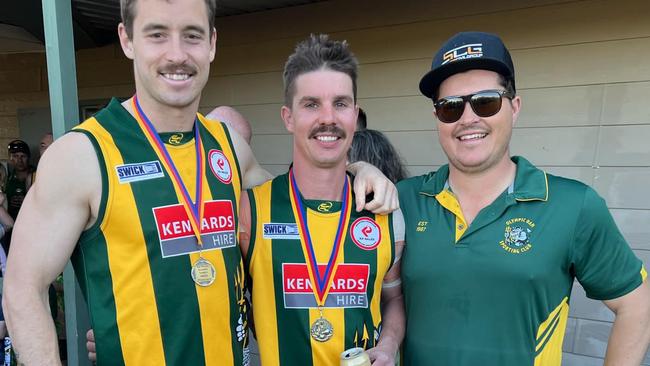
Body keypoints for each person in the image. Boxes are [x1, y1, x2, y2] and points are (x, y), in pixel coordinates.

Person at [1, 0, 397, 365]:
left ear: (211, 44)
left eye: (191, 35)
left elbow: (297, 202)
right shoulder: (82, 155)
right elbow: (22, 288)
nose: (177, 54)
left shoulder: (229, 147)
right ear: (126, 39)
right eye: (157, 34)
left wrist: (358, 168)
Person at [397, 31, 650, 365]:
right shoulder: (402, 200)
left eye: (485, 101)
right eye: (450, 107)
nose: (468, 118)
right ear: (437, 119)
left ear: (514, 107)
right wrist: (360, 169)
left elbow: (636, 304)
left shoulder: (572, 205)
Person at [239, 34, 405, 366]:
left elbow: (394, 298)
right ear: (288, 117)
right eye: (312, 104)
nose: (327, 118)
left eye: (340, 103)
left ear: (355, 115)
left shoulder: (384, 210)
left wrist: (387, 346)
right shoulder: (250, 210)